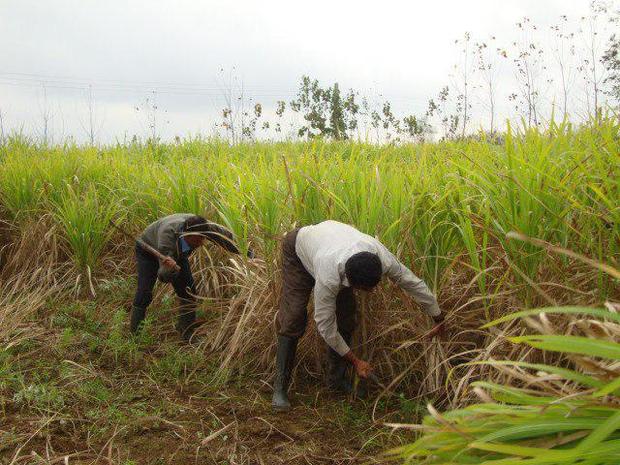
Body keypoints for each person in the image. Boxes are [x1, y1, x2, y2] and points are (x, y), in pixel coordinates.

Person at [272, 220, 445, 411]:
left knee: (346, 318)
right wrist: (356, 361)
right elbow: (324, 324)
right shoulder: (329, 273)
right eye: (364, 289)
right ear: (350, 280)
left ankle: (336, 380)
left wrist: (437, 316)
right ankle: (279, 388)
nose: (370, 292)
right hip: (298, 251)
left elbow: (411, 282)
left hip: (328, 244)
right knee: (293, 316)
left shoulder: (381, 258)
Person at [130, 213, 248, 342]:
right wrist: (170, 268)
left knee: (188, 291)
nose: (201, 243)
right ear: (186, 235)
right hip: (148, 250)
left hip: (178, 254)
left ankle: (186, 333)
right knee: (144, 292)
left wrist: (248, 252)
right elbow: (163, 276)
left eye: (203, 239)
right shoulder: (167, 238)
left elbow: (225, 237)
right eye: (197, 240)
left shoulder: (202, 227)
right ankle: (136, 336)